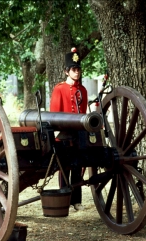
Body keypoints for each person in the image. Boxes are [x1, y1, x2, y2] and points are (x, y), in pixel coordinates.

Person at [50, 47, 88, 211]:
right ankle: (64, 197)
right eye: (74, 69)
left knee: (78, 166)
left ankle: (76, 200)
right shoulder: (59, 89)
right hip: (64, 133)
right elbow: (54, 113)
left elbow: (83, 112)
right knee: (64, 166)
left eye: (78, 69)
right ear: (67, 71)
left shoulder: (83, 90)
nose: (77, 72)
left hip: (78, 133)